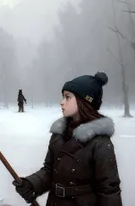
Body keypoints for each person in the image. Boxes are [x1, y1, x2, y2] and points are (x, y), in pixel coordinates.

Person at [12, 72, 122, 206]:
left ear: (85, 101)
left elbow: (109, 191)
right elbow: (49, 171)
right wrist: (30, 183)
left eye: (67, 97)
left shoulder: (100, 143)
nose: (62, 102)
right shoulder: (59, 134)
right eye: (63, 97)